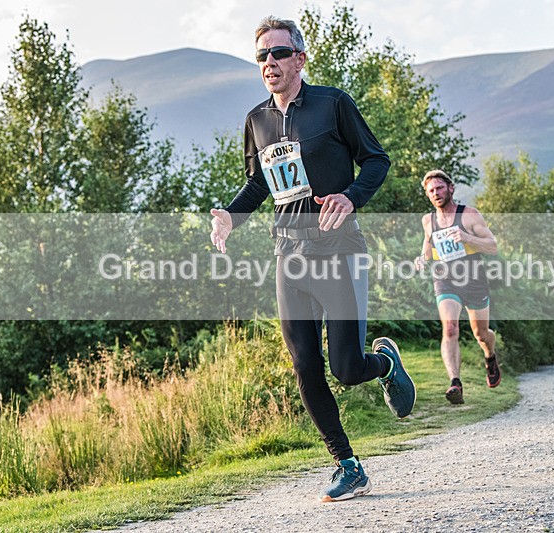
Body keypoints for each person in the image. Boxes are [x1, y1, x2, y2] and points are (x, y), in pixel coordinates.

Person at [209, 16, 415, 503]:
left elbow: (377, 160)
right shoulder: (256, 120)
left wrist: (349, 196)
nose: (269, 63)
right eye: (262, 56)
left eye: (278, 53)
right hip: (288, 254)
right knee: (304, 363)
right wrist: (230, 219)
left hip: (337, 249)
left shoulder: (333, 104)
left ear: (300, 58)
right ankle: (348, 464)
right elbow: (260, 184)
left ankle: (383, 363)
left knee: (345, 368)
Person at [414, 170, 501, 405]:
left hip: (474, 280)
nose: (436, 193)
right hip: (445, 280)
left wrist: (466, 237)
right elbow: (427, 248)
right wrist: (422, 259)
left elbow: (493, 246)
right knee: (450, 328)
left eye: (440, 188)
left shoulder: (469, 215)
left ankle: (490, 356)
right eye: (431, 190)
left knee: (481, 334)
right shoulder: (427, 220)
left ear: (450, 188)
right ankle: (455, 383)